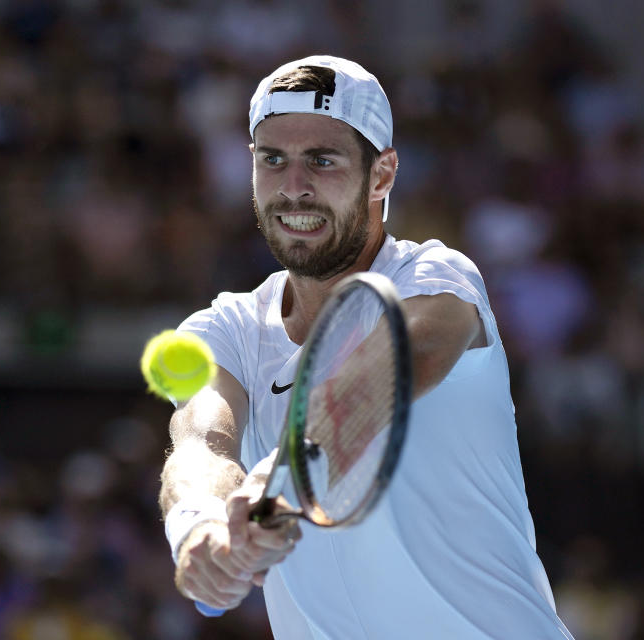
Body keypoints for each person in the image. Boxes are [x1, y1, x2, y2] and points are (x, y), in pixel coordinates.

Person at [159, 55, 574, 639]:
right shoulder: (224, 328)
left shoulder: (438, 280)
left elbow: (367, 390)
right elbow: (201, 442)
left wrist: (274, 487)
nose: (293, 188)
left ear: (382, 175)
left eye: (321, 161)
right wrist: (199, 525)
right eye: (271, 160)